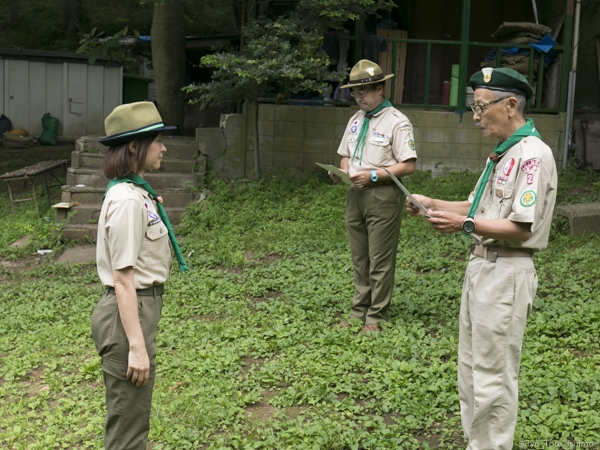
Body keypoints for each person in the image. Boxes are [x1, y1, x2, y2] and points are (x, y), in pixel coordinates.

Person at [406, 68, 557, 449]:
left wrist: (463, 224)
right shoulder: (502, 154)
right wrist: (432, 203)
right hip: (481, 266)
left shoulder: (533, 156)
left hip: (506, 271)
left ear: (510, 105)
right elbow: (476, 208)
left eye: (480, 107)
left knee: (493, 375)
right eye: (473, 107)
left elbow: (521, 228)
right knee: (471, 369)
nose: (475, 117)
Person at [91, 101, 188, 449]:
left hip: (136, 311)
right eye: (157, 140)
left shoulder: (136, 192)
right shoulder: (127, 200)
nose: (163, 147)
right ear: (134, 146)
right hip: (127, 315)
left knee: (133, 418)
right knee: (128, 430)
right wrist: (136, 346)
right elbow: (122, 278)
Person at [330, 59, 417, 334]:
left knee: (379, 257)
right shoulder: (355, 120)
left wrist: (374, 176)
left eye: (364, 92)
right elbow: (345, 156)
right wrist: (341, 171)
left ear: (380, 89)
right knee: (360, 257)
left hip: (382, 195)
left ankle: (375, 316)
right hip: (354, 194)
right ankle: (358, 312)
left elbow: (408, 164)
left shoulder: (397, 122)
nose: (359, 98)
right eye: (355, 93)